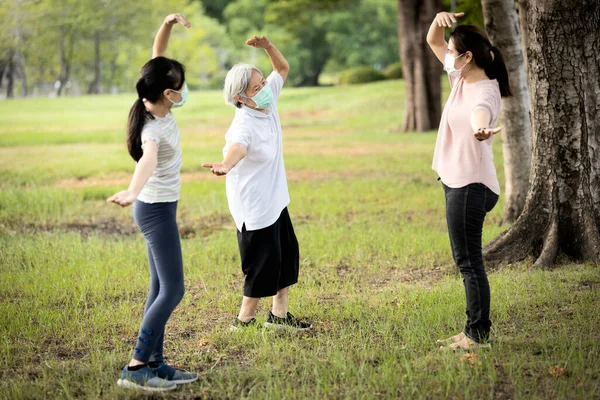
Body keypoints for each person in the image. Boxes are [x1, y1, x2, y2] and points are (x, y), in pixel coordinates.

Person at [107, 13, 198, 391]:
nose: (184, 90)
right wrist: (130, 191)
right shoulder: (153, 130)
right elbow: (146, 161)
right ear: (167, 93)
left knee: (159, 287)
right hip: (154, 210)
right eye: (179, 87)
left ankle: (156, 363)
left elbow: (157, 57)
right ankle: (136, 367)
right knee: (173, 290)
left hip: (161, 208)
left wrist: (166, 24)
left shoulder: (156, 100)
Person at [202, 35, 312, 332]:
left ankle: (278, 317)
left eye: (262, 83)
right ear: (241, 98)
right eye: (256, 88)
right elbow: (238, 147)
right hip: (254, 206)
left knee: (285, 257)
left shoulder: (268, 100)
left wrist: (267, 47)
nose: (264, 89)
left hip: (276, 198)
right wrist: (226, 164)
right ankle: (243, 322)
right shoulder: (243, 124)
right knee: (260, 265)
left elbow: (283, 69)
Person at [426, 11, 512, 350]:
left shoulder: (486, 92)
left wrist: (480, 129)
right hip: (456, 180)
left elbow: (481, 114)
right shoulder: (460, 76)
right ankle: (470, 330)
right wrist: (438, 19)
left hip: (471, 186)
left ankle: (477, 334)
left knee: (469, 263)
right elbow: (433, 40)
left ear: (468, 56)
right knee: (466, 262)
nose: (447, 54)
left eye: (452, 51)